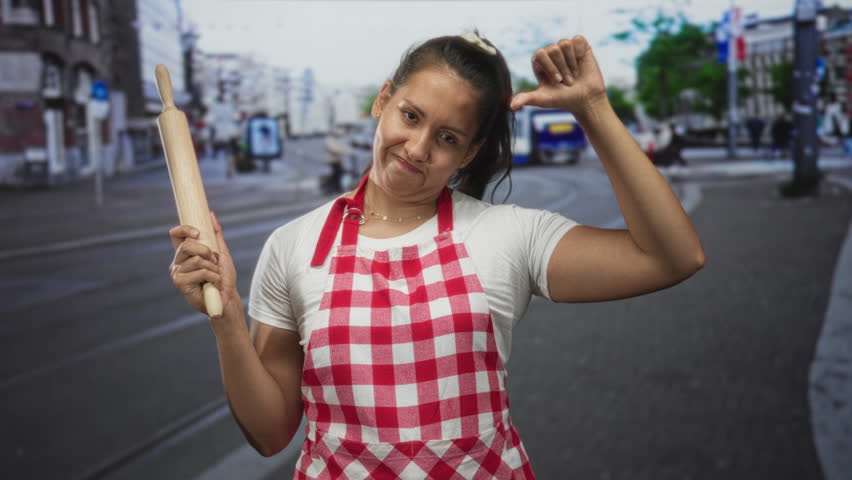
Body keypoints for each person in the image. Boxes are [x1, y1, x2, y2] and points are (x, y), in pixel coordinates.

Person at [168, 31, 704, 478]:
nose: (419, 147)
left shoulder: (505, 235)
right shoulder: (294, 245)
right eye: (410, 115)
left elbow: (671, 257)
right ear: (382, 100)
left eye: (447, 137)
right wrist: (228, 318)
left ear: (469, 152)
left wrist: (592, 110)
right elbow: (270, 433)